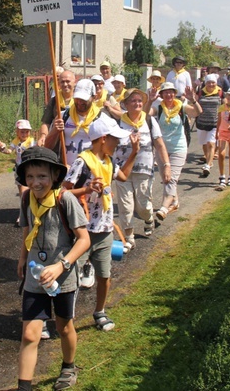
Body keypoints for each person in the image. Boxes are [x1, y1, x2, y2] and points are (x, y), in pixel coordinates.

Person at [15, 147, 91, 391]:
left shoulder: (65, 199)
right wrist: (22, 259)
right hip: (35, 277)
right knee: (29, 334)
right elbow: (27, 232)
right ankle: (24, 386)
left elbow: (84, 240)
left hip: (63, 278)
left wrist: (61, 265)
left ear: (54, 176)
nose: (36, 183)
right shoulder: (27, 198)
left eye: (42, 177)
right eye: (30, 177)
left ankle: (68, 367)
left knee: (63, 326)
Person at [63, 116, 139, 331]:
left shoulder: (108, 162)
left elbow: (123, 176)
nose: (118, 144)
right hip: (82, 232)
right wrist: (86, 190)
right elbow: (64, 192)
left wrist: (134, 152)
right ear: (103, 139)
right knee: (71, 278)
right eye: (115, 140)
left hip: (105, 229)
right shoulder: (82, 162)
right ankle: (64, 317)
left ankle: (100, 312)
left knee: (104, 275)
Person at [113, 88, 172, 242]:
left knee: (143, 206)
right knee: (126, 207)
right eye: (133, 100)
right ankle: (129, 238)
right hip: (122, 171)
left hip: (144, 171)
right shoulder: (118, 123)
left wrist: (166, 165)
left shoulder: (149, 121)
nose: (137, 103)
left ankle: (149, 219)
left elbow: (159, 144)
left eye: (140, 100)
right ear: (125, 104)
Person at [153, 83, 202, 221]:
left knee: (171, 179)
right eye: (166, 92)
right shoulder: (158, 108)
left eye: (171, 92)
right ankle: (174, 202)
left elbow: (197, 112)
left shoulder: (181, 106)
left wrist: (193, 100)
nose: (169, 95)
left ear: (175, 94)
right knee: (165, 179)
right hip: (162, 148)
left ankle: (164, 207)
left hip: (179, 147)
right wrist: (149, 101)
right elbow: (145, 115)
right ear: (161, 94)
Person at [44, 79, 111, 167]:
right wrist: (55, 131)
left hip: (92, 173)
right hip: (67, 172)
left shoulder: (103, 119)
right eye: (77, 98)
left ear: (94, 97)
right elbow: (47, 147)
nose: (79, 102)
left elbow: (110, 151)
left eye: (84, 99)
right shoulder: (63, 116)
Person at [38, 70, 76, 147]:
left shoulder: (79, 100)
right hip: (57, 141)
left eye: (68, 81)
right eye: (62, 82)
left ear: (74, 82)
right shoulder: (54, 100)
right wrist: (43, 136)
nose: (65, 84)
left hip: (74, 140)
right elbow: (46, 122)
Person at [196, 75, 222, 177]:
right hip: (201, 123)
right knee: (204, 144)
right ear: (205, 83)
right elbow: (195, 103)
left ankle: (208, 165)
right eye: (208, 82)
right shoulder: (200, 92)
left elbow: (225, 104)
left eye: (213, 82)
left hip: (214, 123)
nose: (211, 84)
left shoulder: (220, 92)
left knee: (211, 144)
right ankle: (208, 160)